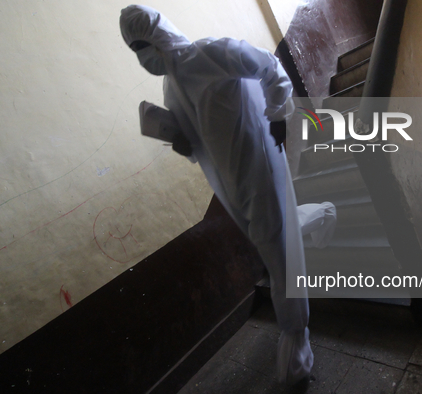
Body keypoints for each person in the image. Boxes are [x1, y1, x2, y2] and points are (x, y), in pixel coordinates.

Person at [119, 5, 313, 385]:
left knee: (278, 252)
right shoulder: (171, 88)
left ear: (160, 34)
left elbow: (269, 68)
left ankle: (297, 342)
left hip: (259, 164)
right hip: (228, 182)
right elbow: (197, 142)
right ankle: (321, 214)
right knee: (271, 240)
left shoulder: (211, 53)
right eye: (136, 51)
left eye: (143, 45)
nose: (143, 58)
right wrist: (177, 138)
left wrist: (277, 114)